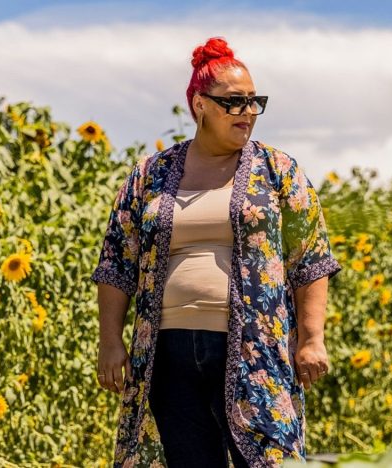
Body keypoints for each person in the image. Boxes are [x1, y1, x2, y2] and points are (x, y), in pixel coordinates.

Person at [92, 36, 343, 468]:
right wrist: (110, 342)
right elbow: (117, 261)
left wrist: (312, 338)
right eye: (233, 102)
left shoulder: (278, 171)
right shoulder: (151, 175)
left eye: (254, 101)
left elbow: (310, 258)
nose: (247, 112)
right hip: (166, 353)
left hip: (255, 352)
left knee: (267, 460)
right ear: (199, 105)